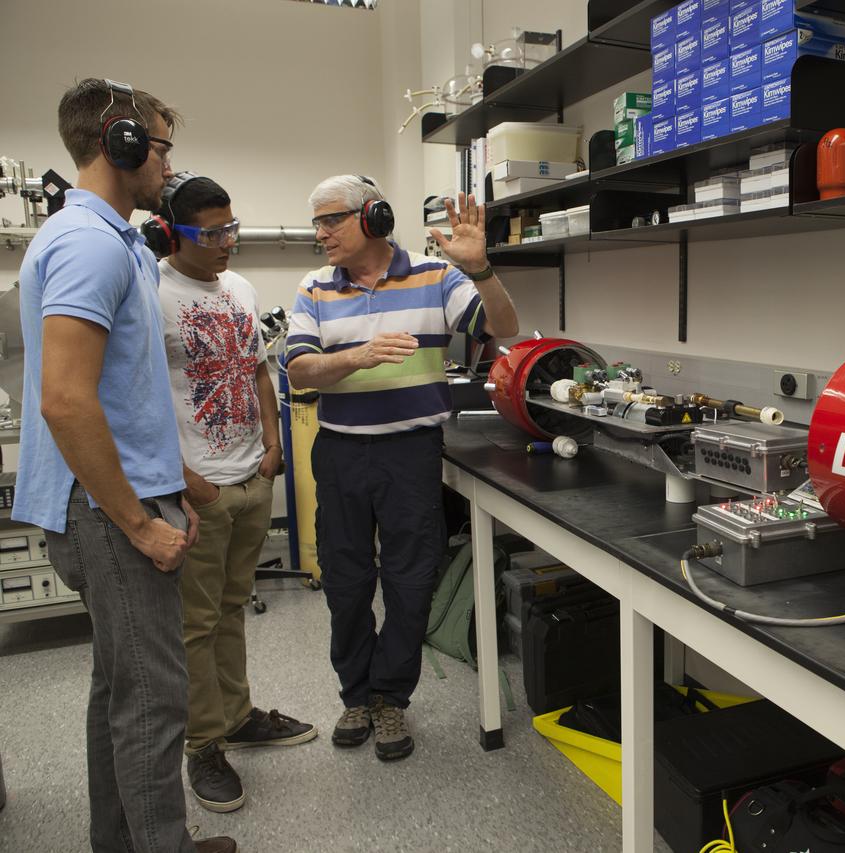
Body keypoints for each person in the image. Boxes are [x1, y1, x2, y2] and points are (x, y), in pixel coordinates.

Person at [12, 79, 235, 853]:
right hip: (109, 513)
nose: (170, 166)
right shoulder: (86, 244)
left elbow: (126, 393)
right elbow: (67, 403)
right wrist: (140, 521)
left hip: (125, 497)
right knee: (152, 703)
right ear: (123, 144)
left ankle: (127, 841)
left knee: (120, 689)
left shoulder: (113, 241)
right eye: (162, 146)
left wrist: (176, 487)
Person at [284, 176, 518, 761]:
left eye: (329, 220)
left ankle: (390, 698)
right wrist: (359, 355)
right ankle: (355, 695)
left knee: (410, 580)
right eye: (316, 222)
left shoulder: (436, 277)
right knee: (345, 580)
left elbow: (505, 328)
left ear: (372, 216)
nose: (320, 234)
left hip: (409, 453)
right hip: (339, 453)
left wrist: (482, 268)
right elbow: (299, 372)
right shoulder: (315, 287)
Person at [153, 173, 317, 814]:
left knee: (230, 609)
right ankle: (203, 745)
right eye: (211, 233)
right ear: (174, 232)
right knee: (195, 625)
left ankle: (239, 714)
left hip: (252, 474)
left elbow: (255, 368)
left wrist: (273, 446)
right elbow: (137, 400)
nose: (226, 243)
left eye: (232, 229)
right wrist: (189, 485)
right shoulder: (151, 291)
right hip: (199, 490)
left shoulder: (240, 288)